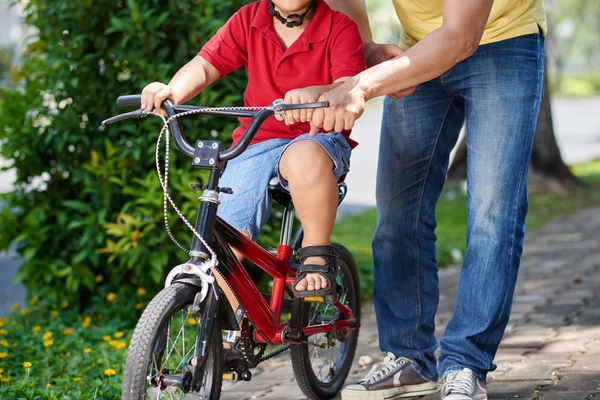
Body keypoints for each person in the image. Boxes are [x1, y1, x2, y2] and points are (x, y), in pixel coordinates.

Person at [286, 0, 546, 398]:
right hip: (416, 50)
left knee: (493, 213)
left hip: (504, 42)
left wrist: (363, 84)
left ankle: (467, 362)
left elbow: (459, 37)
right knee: (396, 215)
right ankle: (409, 358)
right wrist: (368, 47)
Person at [140, 0, 365, 301]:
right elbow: (206, 65)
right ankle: (227, 331)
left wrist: (317, 93)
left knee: (302, 156)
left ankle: (315, 254)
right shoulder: (249, 19)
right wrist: (171, 91)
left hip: (318, 138)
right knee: (219, 249)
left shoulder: (339, 27)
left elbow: (349, 85)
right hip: (256, 142)